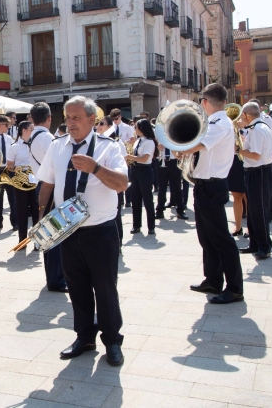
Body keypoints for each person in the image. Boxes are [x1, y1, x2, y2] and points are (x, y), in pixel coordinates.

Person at [37, 96, 128, 364]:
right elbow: (47, 183)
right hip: (68, 230)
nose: (71, 122)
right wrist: (41, 217)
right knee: (77, 287)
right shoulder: (57, 146)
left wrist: (96, 168)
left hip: (100, 230)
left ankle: (112, 341)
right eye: (67, 117)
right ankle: (84, 337)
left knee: (105, 288)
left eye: (77, 117)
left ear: (92, 120)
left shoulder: (109, 148)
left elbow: (122, 184)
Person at [180, 84, 243, 304]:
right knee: (207, 238)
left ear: (205, 102)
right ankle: (213, 280)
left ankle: (234, 288)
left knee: (221, 239)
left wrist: (177, 144)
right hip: (204, 185)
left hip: (212, 187)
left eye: (201, 102)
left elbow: (195, 146)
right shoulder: (215, 122)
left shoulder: (219, 123)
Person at [30, 102, 66, 291]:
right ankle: (56, 279)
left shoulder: (32, 136)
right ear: (49, 117)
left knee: (49, 235)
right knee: (54, 236)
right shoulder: (48, 139)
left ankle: (54, 277)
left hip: (41, 186)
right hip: (50, 188)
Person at [237, 103, 272, 260]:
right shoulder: (258, 128)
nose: (239, 119)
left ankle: (264, 246)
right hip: (256, 172)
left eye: (241, 115)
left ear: (246, 115)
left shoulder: (258, 130)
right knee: (252, 210)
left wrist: (238, 150)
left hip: (259, 172)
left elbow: (255, 155)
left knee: (259, 210)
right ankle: (254, 243)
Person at [6, 121, 39, 250]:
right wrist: (17, 168)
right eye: (31, 129)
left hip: (35, 179)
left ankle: (37, 241)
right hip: (21, 182)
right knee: (22, 211)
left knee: (36, 210)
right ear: (24, 130)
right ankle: (22, 241)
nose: (33, 131)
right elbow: (9, 166)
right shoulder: (14, 147)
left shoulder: (35, 144)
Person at [96, 115, 127, 251]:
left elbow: (123, 161)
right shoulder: (95, 142)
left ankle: (118, 243)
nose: (98, 126)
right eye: (98, 123)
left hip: (113, 182)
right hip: (100, 185)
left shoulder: (115, 142)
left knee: (116, 214)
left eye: (102, 124)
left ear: (109, 127)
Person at [125, 119, 157, 235]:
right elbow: (136, 156)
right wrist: (129, 160)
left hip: (145, 170)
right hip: (135, 170)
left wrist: (128, 156)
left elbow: (144, 158)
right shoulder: (138, 141)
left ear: (142, 129)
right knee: (135, 199)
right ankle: (136, 225)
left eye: (136, 127)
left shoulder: (149, 142)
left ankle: (151, 226)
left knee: (148, 199)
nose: (135, 129)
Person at [155, 140, 186, 221]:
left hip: (174, 162)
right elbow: (151, 144)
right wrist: (157, 146)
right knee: (161, 188)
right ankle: (160, 210)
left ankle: (180, 210)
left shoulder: (174, 133)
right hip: (162, 160)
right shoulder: (158, 132)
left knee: (177, 187)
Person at [227, 133, 247, 238]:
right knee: (236, 195)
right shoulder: (231, 128)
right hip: (234, 160)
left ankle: (250, 227)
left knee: (247, 196)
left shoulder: (252, 127)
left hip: (247, 159)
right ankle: (238, 227)